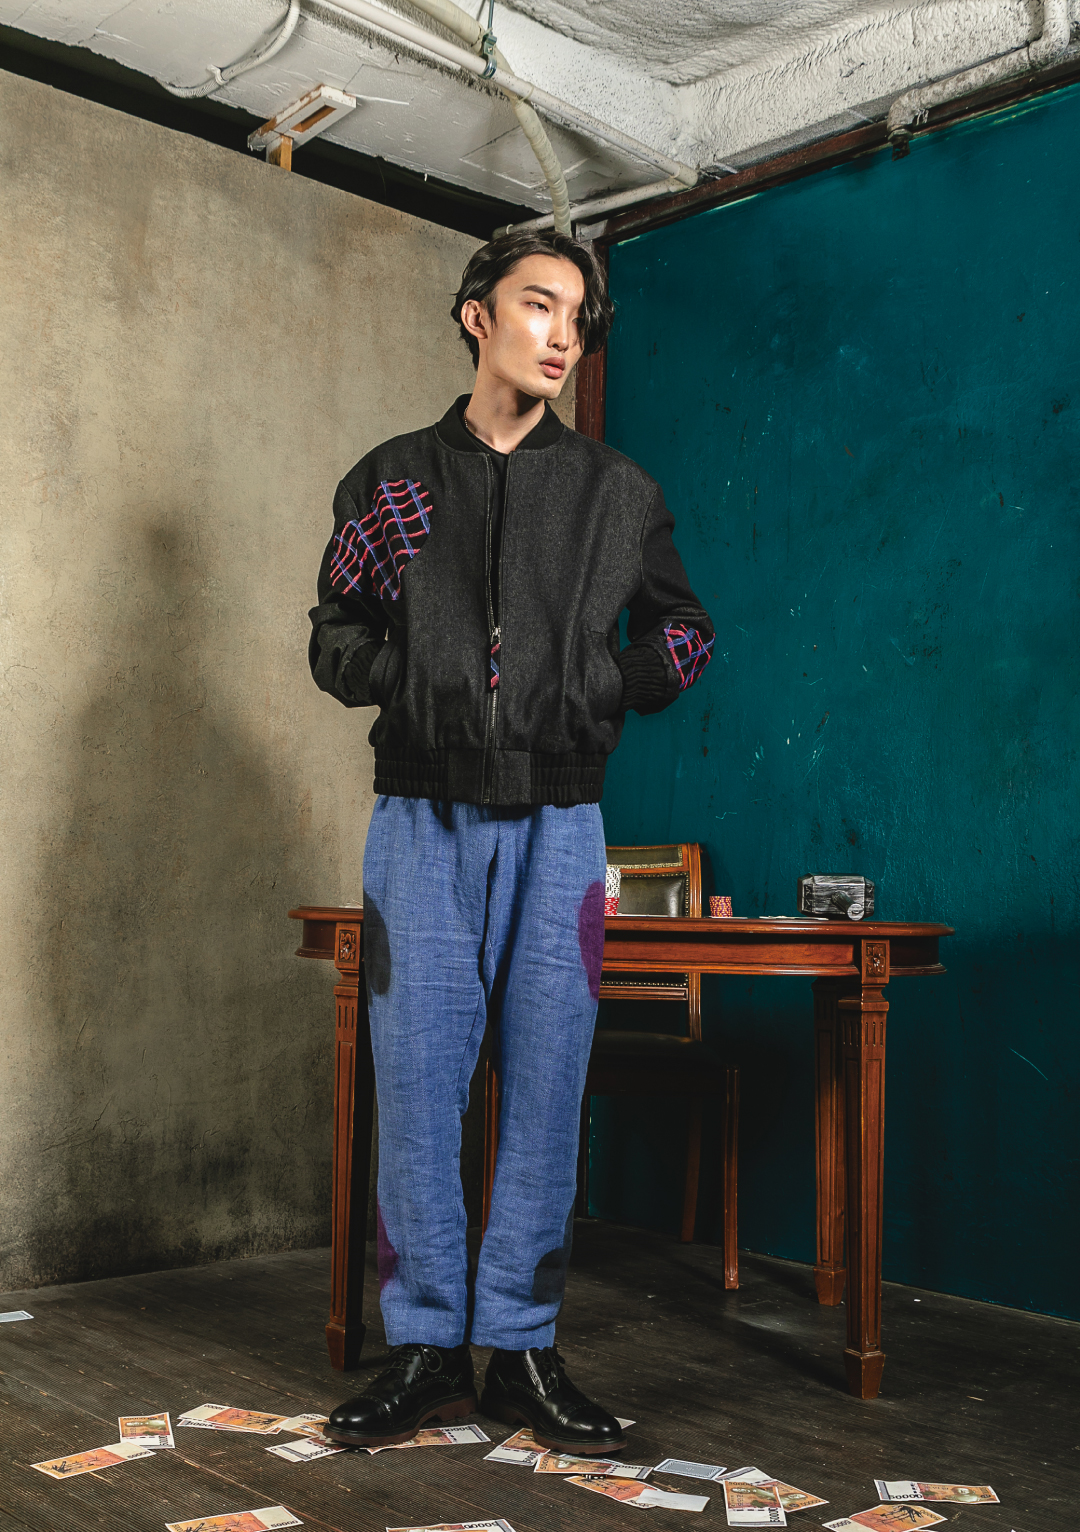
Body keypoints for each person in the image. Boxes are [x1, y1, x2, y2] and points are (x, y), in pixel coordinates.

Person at [308, 229, 714, 1452]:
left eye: (578, 317)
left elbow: (685, 635)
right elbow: (334, 636)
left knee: (546, 1088)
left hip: (561, 822)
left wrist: (598, 686)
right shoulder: (391, 482)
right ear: (476, 314)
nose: (562, 335)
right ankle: (429, 1348)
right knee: (416, 1088)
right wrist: (416, 677)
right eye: (540, 305)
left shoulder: (616, 491)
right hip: (418, 818)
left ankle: (521, 1353)